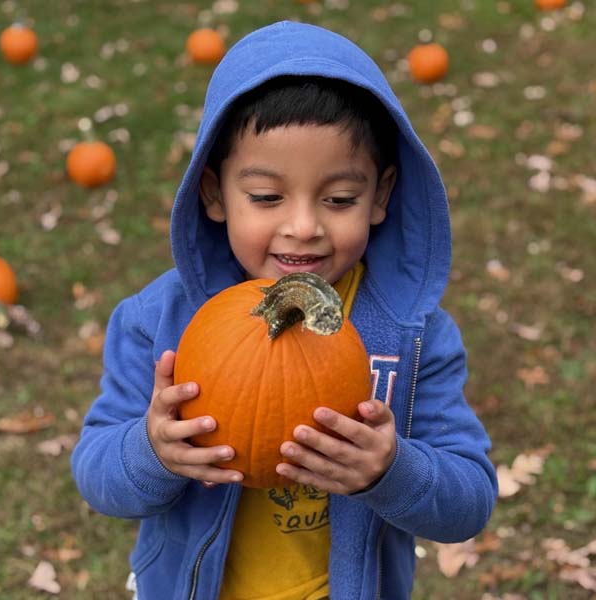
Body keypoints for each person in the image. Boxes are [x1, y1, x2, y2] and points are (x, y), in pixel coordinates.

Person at [71, 20, 498, 600]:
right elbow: (97, 475)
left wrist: (391, 470)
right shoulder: (160, 321)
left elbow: (469, 501)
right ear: (214, 193)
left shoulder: (415, 338)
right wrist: (152, 450)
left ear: (382, 195)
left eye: (340, 199)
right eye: (267, 197)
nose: (303, 227)